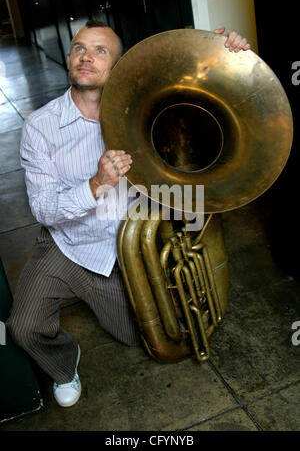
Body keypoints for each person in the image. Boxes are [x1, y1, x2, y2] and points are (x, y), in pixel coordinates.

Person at [6, 20, 251, 408]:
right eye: (79, 48)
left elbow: (195, 78)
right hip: (66, 245)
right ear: (69, 58)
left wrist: (228, 52)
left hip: (125, 250)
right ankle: (63, 366)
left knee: (143, 337)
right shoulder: (40, 127)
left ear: (119, 66)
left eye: (101, 51)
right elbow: (44, 209)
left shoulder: (145, 109)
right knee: (23, 327)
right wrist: (96, 183)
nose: (87, 57)